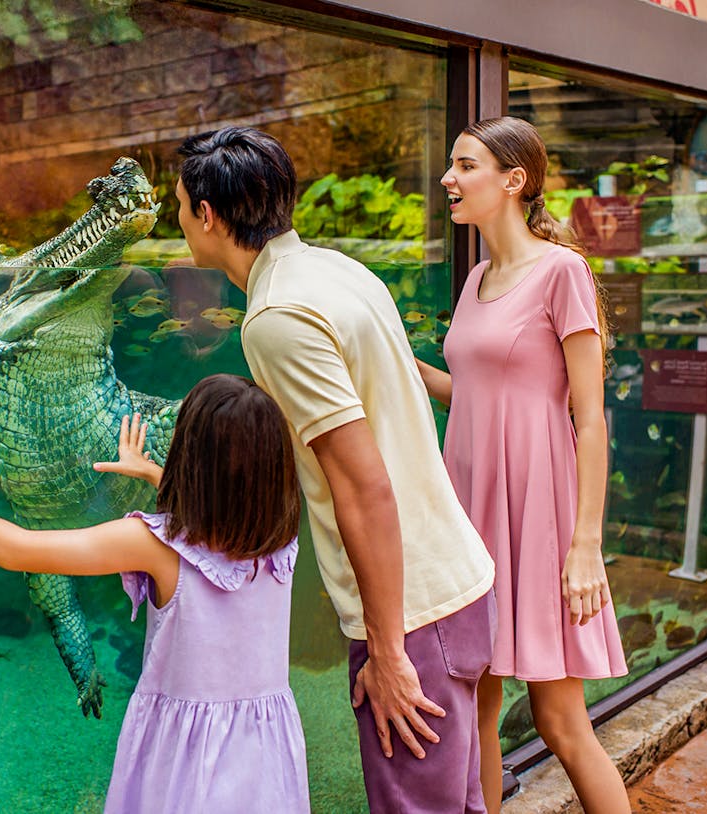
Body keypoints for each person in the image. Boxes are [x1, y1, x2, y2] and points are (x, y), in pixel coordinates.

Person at [174, 126, 497, 813]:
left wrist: (386, 651)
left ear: (206, 215)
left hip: (411, 614)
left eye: (179, 205)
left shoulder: (275, 317)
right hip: (455, 583)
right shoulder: (336, 270)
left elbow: (362, 483)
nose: (179, 220)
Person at [0, 374, 310, 813]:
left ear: (188, 455)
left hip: (186, 758)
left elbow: (17, 550)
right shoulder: (277, 539)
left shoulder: (153, 545)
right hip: (266, 749)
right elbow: (224, 510)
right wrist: (151, 474)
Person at [419, 115, 629, 814]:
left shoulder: (562, 271)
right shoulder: (478, 275)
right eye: (452, 165)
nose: (449, 178)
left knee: (560, 723)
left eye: (465, 165)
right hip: (470, 510)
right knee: (475, 710)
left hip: (539, 515)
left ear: (514, 181)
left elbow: (590, 418)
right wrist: (393, 360)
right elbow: (474, 392)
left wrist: (584, 547)